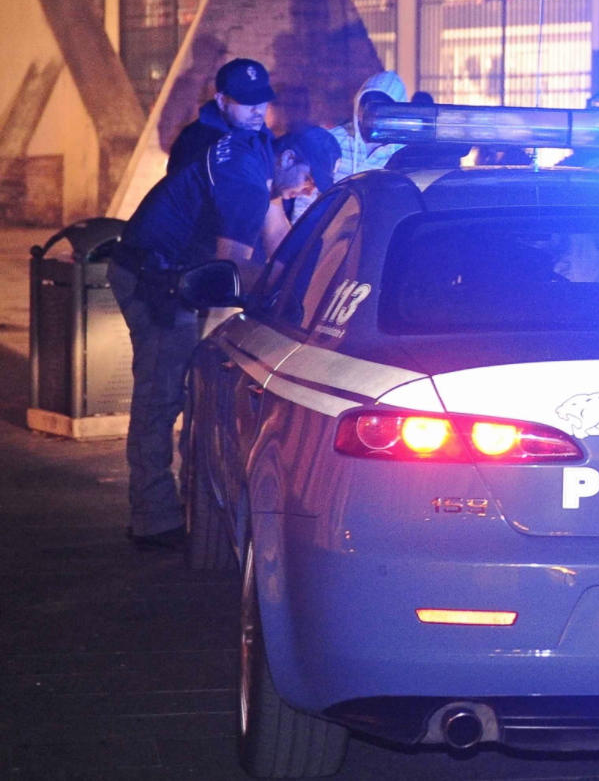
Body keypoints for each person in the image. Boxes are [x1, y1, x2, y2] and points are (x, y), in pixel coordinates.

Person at [110, 58, 312, 550]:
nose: (309, 190)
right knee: (163, 393)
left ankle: (185, 505)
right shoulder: (236, 166)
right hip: (154, 275)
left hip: (183, 274)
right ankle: (153, 519)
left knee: (192, 388)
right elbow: (232, 272)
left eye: (264, 100)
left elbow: (278, 239)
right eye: (309, 181)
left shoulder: (257, 147)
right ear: (221, 99)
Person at [330, 70, 408, 182]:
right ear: (358, 108)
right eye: (369, 108)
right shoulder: (333, 142)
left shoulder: (404, 155)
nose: (374, 117)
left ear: (397, 114)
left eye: (383, 111)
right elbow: (308, 196)